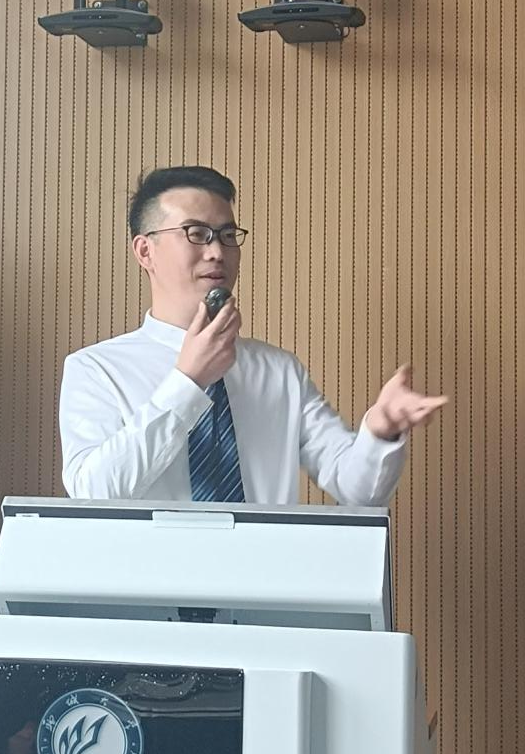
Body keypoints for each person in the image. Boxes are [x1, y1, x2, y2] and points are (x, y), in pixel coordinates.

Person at [59, 164, 446, 507]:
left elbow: (358, 492)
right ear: (145, 251)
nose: (217, 251)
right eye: (197, 233)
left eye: (227, 235)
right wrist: (188, 383)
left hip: (269, 568)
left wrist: (380, 430)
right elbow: (93, 492)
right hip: (147, 569)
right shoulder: (96, 370)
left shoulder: (279, 370)